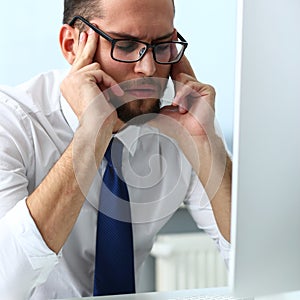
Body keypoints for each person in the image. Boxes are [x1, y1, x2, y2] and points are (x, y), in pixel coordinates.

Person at [0, 0, 232, 299]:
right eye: (125, 45)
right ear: (72, 45)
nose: (148, 68)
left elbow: (258, 264)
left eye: (162, 46)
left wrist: (205, 142)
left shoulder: (183, 119)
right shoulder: (12, 122)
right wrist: (91, 135)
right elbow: (5, 283)